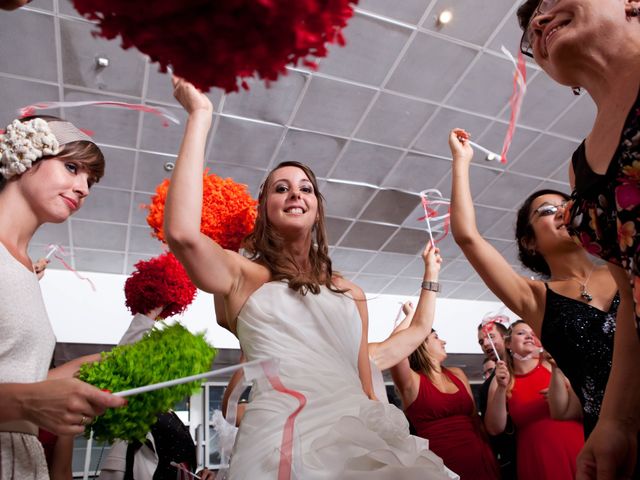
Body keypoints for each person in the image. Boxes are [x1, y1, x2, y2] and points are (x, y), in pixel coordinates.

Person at [164, 77, 456, 479]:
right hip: (282, 439)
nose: (295, 194)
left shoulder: (351, 292)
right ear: (264, 207)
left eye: (306, 189)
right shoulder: (243, 276)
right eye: (281, 189)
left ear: (317, 207)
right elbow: (181, 234)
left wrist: (389, 438)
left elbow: (366, 387)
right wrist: (200, 115)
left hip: (358, 439)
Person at [515, 2, 640, 477]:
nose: (540, 21)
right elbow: (631, 296)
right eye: (531, 29)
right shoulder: (581, 166)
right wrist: (617, 424)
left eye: (551, 2)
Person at [449, 128, 619, 439]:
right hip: (613, 437)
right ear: (529, 242)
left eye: (566, 206)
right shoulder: (535, 298)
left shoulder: (620, 268)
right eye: (547, 211)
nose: (561, 213)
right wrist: (461, 161)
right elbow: (467, 237)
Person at [0, 115, 126, 478]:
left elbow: (19, 374)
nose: (84, 188)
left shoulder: (25, 270)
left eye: (90, 181)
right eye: (72, 168)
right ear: (25, 158)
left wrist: (102, 364)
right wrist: (26, 402)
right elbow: (22, 395)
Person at [391, 325, 500, 480]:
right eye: (436, 337)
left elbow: (475, 418)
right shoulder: (411, 382)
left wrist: (490, 455)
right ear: (420, 344)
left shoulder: (458, 373)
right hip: (442, 465)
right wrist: (414, 320)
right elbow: (396, 349)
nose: (444, 342)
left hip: (480, 458)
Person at [485, 321, 584, 480]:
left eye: (532, 333)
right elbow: (494, 428)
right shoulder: (502, 379)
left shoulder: (553, 364)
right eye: (521, 333)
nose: (529, 336)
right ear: (508, 343)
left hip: (574, 444)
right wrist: (502, 389)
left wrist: (562, 395)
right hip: (537, 455)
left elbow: (587, 402)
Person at [476, 321, 517, 480]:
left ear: (506, 339)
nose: (486, 344)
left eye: (490, 337)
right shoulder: (496, 377)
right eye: (481, 341)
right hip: (503, 453)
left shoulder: (520, 368)